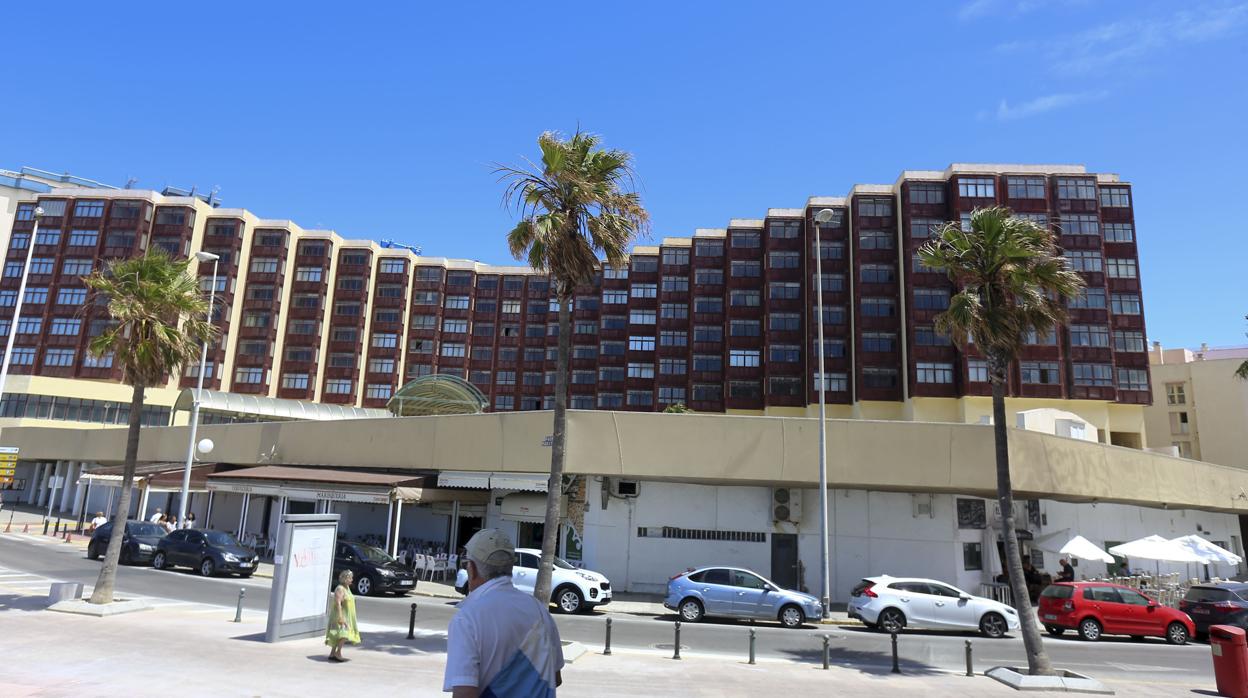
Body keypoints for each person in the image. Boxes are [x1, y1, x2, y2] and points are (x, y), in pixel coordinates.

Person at [444, 529, 563, 697]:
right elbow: (555, 678)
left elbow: (464, 693)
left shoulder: (467, 619)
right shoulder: (540, 611)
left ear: (472, 569)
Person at [326, 569, 360, 662]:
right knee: (344, 634)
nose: (352, 579)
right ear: (345, 578)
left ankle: (332, 653)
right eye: (350, 578)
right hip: (340, 615)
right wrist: (341, 617)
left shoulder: (347, 588)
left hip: (347, 615)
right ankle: (338, 652)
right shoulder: (340, 588)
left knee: (339, 635)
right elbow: (338, 603)